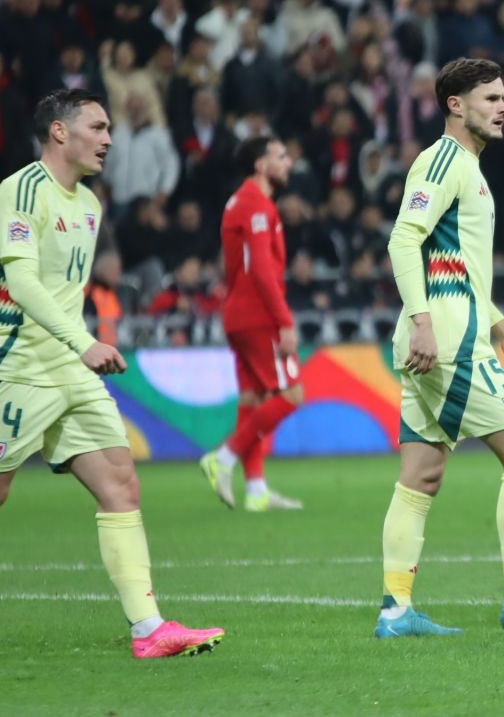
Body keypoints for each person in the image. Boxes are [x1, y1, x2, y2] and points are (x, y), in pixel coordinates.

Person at [0, 88, 223, 658]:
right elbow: (22, 284)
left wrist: (78, 348)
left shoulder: (90, 205)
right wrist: (84, 342)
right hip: (19, 366)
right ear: (59, 131)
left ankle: (148, 630)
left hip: (71, 371)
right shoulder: (23, 190)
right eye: (97, 128)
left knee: (121, 484)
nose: (108, 138)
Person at [376, 57, 504, 637]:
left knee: (420, 475)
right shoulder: (444, 161)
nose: (503, 107)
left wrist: (500, 326)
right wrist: (423, 322)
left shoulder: (465, 166)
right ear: (456, 104)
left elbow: (454, 267)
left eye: (503, 98)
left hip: (449, 335)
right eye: (491, 98)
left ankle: (396, 612)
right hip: (447, 344)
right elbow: (403, 239)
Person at [198, 137, 304, 511]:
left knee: (253, 398)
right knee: (291, 395)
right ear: (260, 164)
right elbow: (261, 269)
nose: (288, 162)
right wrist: (284, 321)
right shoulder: (255, 205)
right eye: (280, 156)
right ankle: (222, 458)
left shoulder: (240, 201)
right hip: (259, 314)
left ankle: (256, 490)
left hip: (238, 313)